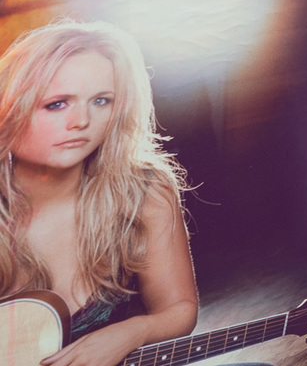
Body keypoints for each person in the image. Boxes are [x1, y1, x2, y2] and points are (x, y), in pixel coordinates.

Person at [0, 20, 197, 366]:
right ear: (10, 107)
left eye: (101, 101)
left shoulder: (142, 191)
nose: (81, 121)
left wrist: (130, 333)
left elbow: (179, 309)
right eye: (57, 104)